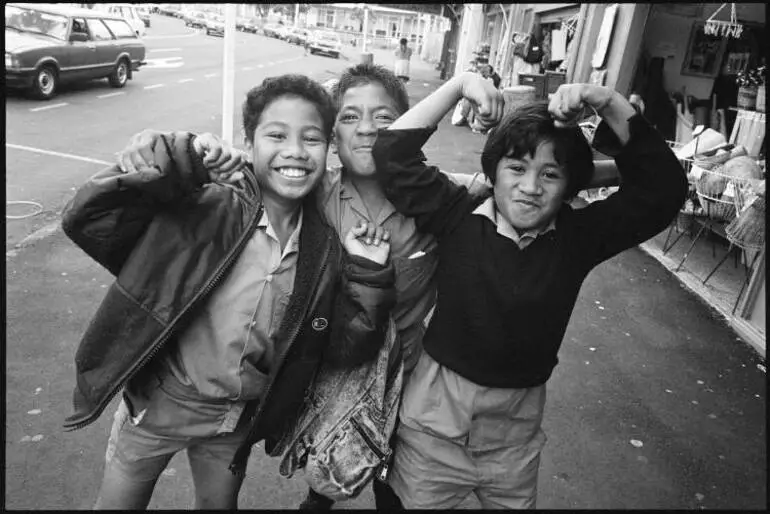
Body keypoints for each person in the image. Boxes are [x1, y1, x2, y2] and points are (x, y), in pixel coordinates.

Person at [119, 64, 491, 511]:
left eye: (385, 120)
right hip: (326, 369)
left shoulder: (438, 200)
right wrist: (170, 146)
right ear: (333, 137)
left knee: (394, 488)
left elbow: (523, 186)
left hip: (407, 377)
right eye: (350, 117)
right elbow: (245, 169)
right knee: (329, 467)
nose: (369, 130)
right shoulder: (311, 192)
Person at [61, 74, 397, 510]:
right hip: (159, 405)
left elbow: (343, 348)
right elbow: (91, 218)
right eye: (276, 135)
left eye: (311, 139)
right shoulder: (208, 203)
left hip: (232, 422)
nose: (295, 151)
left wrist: (368, 274)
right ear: (248, 141)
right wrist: (178, 159)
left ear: (329, 148)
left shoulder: (326, 248)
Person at [368, 73, 688, 508]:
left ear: (571, 185)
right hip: (431, 433)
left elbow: (664, 191)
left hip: (512, 445)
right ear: (493, 172)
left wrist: (607, 101)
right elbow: (392, 155)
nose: (531, 187)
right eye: (516, 168)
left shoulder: (580, 238)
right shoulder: (456, 214)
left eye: (550, 174)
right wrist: (461, 85)